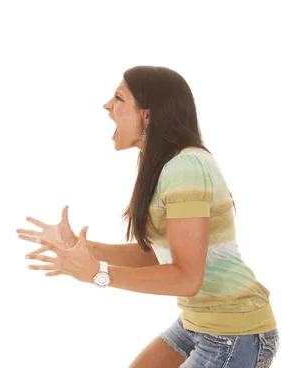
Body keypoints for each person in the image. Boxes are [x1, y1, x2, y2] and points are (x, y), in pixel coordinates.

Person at [17, 66, 279, 367]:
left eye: (118, 98)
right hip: (198, 322)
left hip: (234, 331)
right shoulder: (162, 165)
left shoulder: (187, 167)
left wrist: (98, 274)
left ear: (148, 115)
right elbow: (160, 256)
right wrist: (79, 246)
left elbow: (186, 278)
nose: (107, 105)